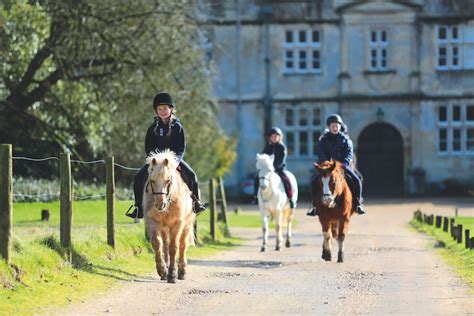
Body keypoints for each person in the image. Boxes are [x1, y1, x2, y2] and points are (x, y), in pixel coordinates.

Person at [126, 92, 206, 219]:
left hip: (173, 161)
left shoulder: (177, 127)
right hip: (156, 162)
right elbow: (148, 147)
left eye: (165, 108)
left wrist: (175, 161)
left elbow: (181, 147)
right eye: (159, 109)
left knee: (192, 176)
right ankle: (138, 208)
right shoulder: (152, 128)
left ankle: (196, 203)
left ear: (171, 109)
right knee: (138, 178)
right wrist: (154, 161)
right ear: (156, 111)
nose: (162, 111)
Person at [307, 114, 366, 216]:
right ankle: (314, 206)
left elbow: (349, 154)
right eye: (332, 126)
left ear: (340, 126)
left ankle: (358, 203)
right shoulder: (323, 140)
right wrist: (326, 164)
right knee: (313, 181)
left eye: (336, 126)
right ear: (329, 127)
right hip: (328, 167)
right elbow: (321, 153)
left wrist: (343, 164)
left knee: (357, 179)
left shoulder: (346, 139)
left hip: (342, 166)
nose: (335, 128)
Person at [253, 127, 295, 208]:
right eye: (273, 136)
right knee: (256, 178)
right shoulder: (267, 148)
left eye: (276, 136)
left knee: (286, 180)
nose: (274, 138)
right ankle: (255, 197)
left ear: (280, 137)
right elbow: (263, 158)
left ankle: (290, 198)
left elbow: (281, 161)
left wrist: (274, 168)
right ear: (270, 138)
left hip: (279, 169)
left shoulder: (282, 147)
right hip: (268, 171)